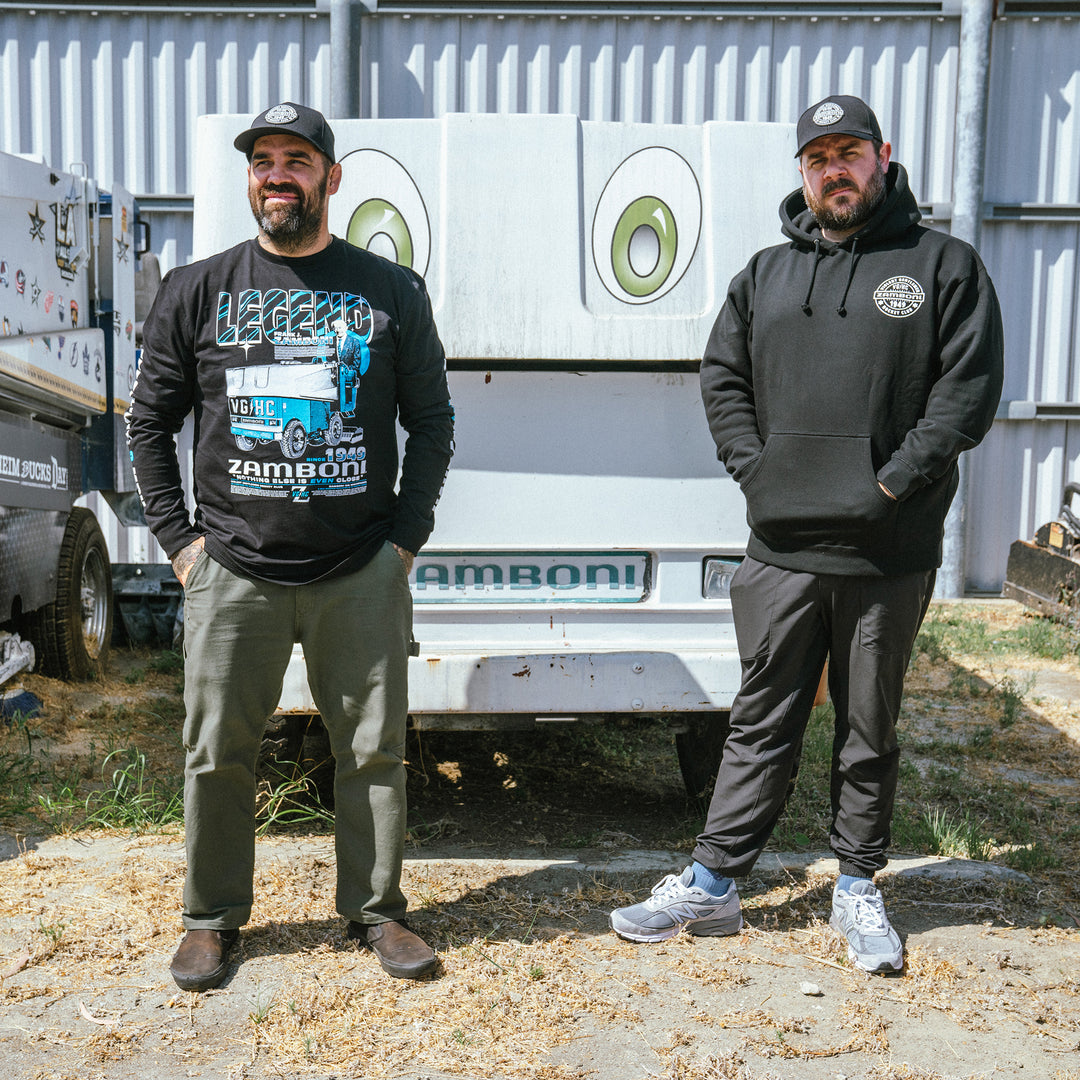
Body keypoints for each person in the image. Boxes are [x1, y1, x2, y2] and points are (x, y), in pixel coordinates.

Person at [610, 95, 1003, 972]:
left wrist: (894, 481)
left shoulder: (942, 266)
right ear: (802, 171)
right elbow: (723, 377)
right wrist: (759, 469)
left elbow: (966, 394)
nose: (835, 169)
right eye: (819, 156)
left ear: (883, 156)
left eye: (850, 151)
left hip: (885, 550)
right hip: (780, 550)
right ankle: (714, 883)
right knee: (761, 718)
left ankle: (858, 885)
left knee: (869, 724)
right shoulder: (765, 276)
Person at [126, 102, 454, 991]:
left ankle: (378, 911)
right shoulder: (197, 289)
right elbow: (148, 424)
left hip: (361, 568)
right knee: (217, 752)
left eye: (298, 160)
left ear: (331, 179)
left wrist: (405, 542)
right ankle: (211, 919)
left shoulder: (390, 290)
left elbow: (431, 424)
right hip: (231, 569)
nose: (279, 174)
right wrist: (181, 544)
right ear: (251, 180)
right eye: (264, 160)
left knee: (375, 752)